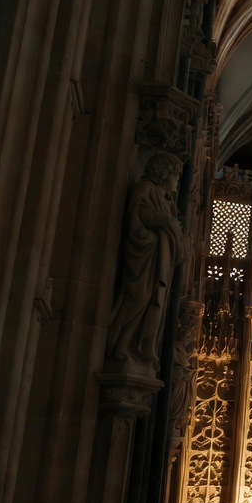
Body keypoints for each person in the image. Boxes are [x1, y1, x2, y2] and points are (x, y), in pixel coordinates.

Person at [106, 151, 184, 370]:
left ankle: (136, 347)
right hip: (145, 261)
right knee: (138, 299)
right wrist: (168, 222)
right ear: (164, 173)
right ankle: (117, 341)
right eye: (176, 177)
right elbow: (138, 217)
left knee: (153, 304)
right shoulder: (146, 190)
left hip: (159, 263)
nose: (177, 183)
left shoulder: (165, 200)